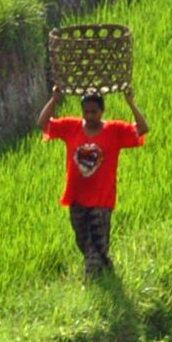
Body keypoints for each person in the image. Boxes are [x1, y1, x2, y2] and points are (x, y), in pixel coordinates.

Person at [40, 87, 148, 277]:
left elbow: (143, 128)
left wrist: (131, 103)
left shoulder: (114, 130)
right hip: (76, 197)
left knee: (97, 246)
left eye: (94, 112)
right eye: (86, 112)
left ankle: (93, 284)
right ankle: (108, 274)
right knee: (83, 242)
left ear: (102, 111)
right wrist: (55, 99)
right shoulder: (71, 127)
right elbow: (43, 123)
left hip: (101, 199)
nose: (90, 116)